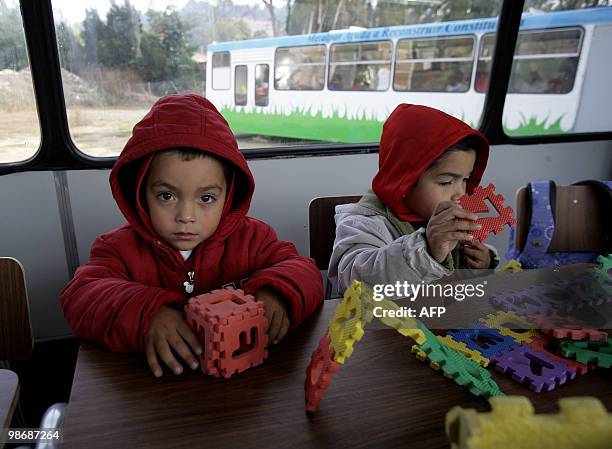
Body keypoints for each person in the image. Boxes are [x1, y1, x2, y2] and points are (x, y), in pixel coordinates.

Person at [60, 94, 323, 377]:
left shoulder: (254, 238)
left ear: (229, 195)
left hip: (246, 387)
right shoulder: (117, 248)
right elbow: (80, 296)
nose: (186, 215)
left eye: (206, 198)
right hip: (158, 395)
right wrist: (148, 314)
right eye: (167, 195)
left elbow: (305, 271)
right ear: (140, 193)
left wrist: (276, 293)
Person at [328, 103, 499, 295]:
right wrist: (426, 250)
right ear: (404, 180)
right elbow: (354, 283)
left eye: (466, 179)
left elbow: (455, 290)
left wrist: (478, 267)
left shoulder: (444, 218)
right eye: (446, 181)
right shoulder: (363, 222)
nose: (460, 192)